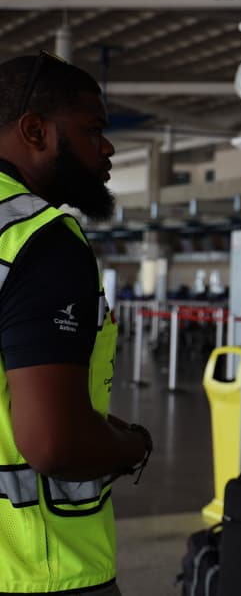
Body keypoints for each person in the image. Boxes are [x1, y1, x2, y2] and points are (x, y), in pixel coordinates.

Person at [0, 53, 152, 594]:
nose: (107, 148)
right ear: (35, 131)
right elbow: (54, 445)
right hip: (39, 567)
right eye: (92, 130)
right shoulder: (39, 239)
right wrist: (133, 446)